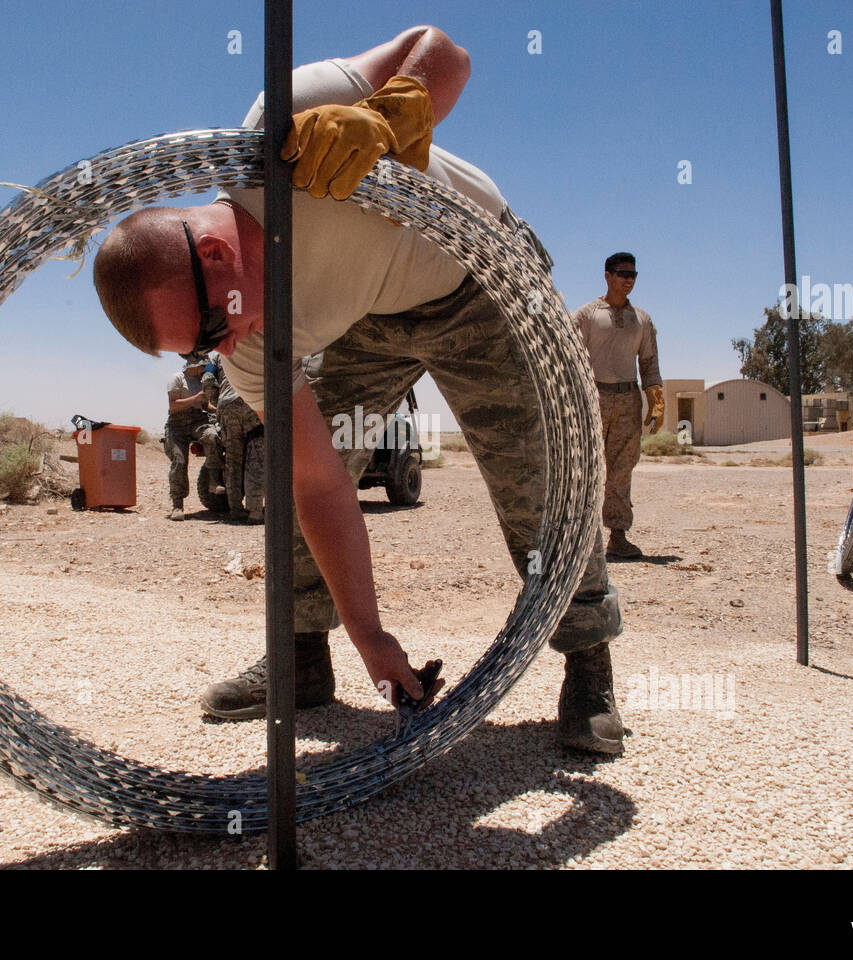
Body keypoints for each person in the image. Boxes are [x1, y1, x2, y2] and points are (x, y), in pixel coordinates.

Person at [92, 26, 626, 753]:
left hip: (481, 285)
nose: (219, 351)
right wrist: (370, 633)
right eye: (195, 347)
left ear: (214, 253)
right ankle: (303, 657)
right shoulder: (248, 345)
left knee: (541, 478)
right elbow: (320, 485)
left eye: (212, 324)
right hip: (371, 317)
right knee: (295, 478)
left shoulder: (289, 126)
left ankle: (589, 666)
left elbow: (446, 52)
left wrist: (391, 111)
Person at [573, 252, 664, 559]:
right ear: (607, 275)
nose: (629, 280)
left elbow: (649, 362)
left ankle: (618, 536)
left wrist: (656, 399)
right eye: (623, 274)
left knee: (622, 469)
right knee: (585, 466)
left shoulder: (642, 319)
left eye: (633, 275)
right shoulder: (586, 315)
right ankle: (581, 537)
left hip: (628, 399)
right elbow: (570, 357)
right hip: (593, 397)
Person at [164, 355, 223, 521]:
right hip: (177, 424)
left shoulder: (200, 381)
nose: (204, 370)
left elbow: (205, 406)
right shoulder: (177, 379)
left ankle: (214, 480)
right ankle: (177, 505)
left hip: (198, 420)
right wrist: (194, 399)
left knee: (211, 436)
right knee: (179, 461)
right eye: (202, 367)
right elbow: (173, 405)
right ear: (195, 366)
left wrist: (219, 410)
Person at [215, 366, 265, 522]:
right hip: (250, 401)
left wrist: (215, 402)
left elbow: (208, 379)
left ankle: (235, 509)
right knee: (256, 455)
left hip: (226, 407)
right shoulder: (255, 344)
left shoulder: (217, 353)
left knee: (232, 460)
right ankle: (255, 512)